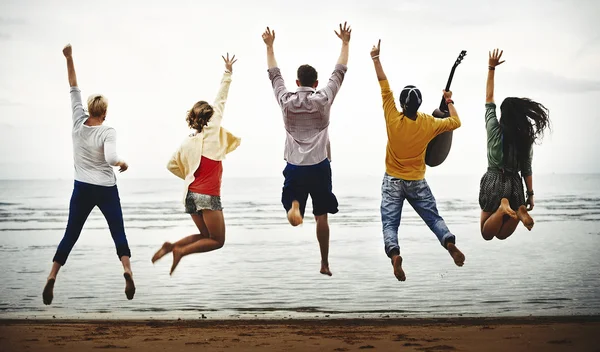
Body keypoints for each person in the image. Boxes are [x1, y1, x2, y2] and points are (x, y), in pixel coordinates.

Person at [43, 44, 134, 305]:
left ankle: (52, 276)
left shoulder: (77, 120)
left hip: (82, 187)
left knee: (71, 233)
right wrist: (123, 163)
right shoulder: (108, 130)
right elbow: (111, 159)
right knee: (118, 230)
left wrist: (69, 57)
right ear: (104, 113)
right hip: (106, 188)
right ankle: (127, 270)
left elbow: (73, 86)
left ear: (88, 108)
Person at [370, 40, 466, 282]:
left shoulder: (392, 117)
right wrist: (449, 101)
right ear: (420, 104)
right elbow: (455, 123)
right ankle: (449, 242)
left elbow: (384, 85)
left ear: (402, 104)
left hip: (392, 180)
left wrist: (375, 58)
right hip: (417, 181)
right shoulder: (428, 123)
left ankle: (394, 255)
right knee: (433, 218)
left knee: (390, 224)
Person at [262, 22, 351, 276]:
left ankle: (294, 205)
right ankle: (324, 262)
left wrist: (270, 46)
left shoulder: (286, 102)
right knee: (322, 215)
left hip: (295, 167)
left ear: (298, 81)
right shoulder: (323, 99)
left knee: (293, 199)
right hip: (320, 166)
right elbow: (340, 72)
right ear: (316, 83)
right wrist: (345, 43)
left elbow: (274, 75)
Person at [152, 54, 240, 275]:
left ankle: (172, 246)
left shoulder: (187, 143)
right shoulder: (213, 128)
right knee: (218, 241)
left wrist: (190, 175)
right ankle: (181, 252)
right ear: (210, 116)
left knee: (205, 236)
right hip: (207, 196)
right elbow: (221, 98)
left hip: (190, 196)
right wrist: (227, 72)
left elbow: (171, 165)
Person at [479, 49, 550, 240]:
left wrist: (491, 68)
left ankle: (503, 208)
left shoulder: (494, 128)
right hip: (515, 184)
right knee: (502, 235)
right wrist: (530, 194)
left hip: (494, 179)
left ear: (503, 114)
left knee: (487, 233)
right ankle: (518, 211)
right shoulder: (524, 138)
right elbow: (527, 168)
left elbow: (489, 99)